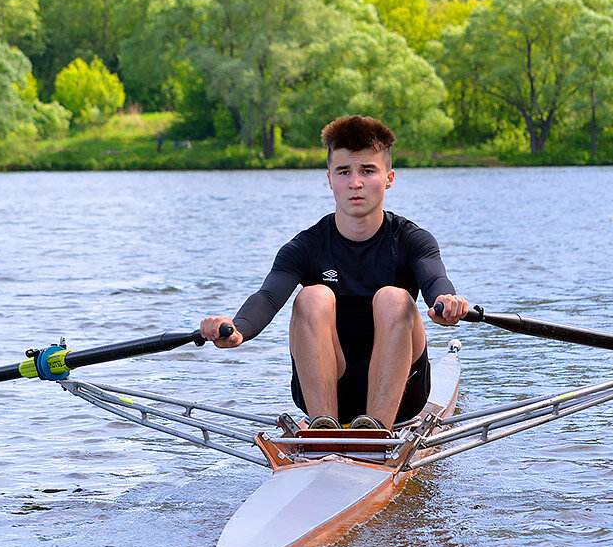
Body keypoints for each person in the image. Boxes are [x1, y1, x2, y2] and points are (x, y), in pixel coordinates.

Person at [199, 115, 470, 433]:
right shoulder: (305, 246)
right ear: (330, 179)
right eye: (344, 172)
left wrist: (446, 301)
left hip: (403, 394)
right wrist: (235, 329)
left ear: (389, 178)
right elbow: (268, 296)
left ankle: (377, 430)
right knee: (312, 295)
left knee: (393, 298)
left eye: (367, 171)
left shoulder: (412, 239)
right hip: (327, 384)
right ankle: (323, 428)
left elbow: (435, 280)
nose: (355, 182)